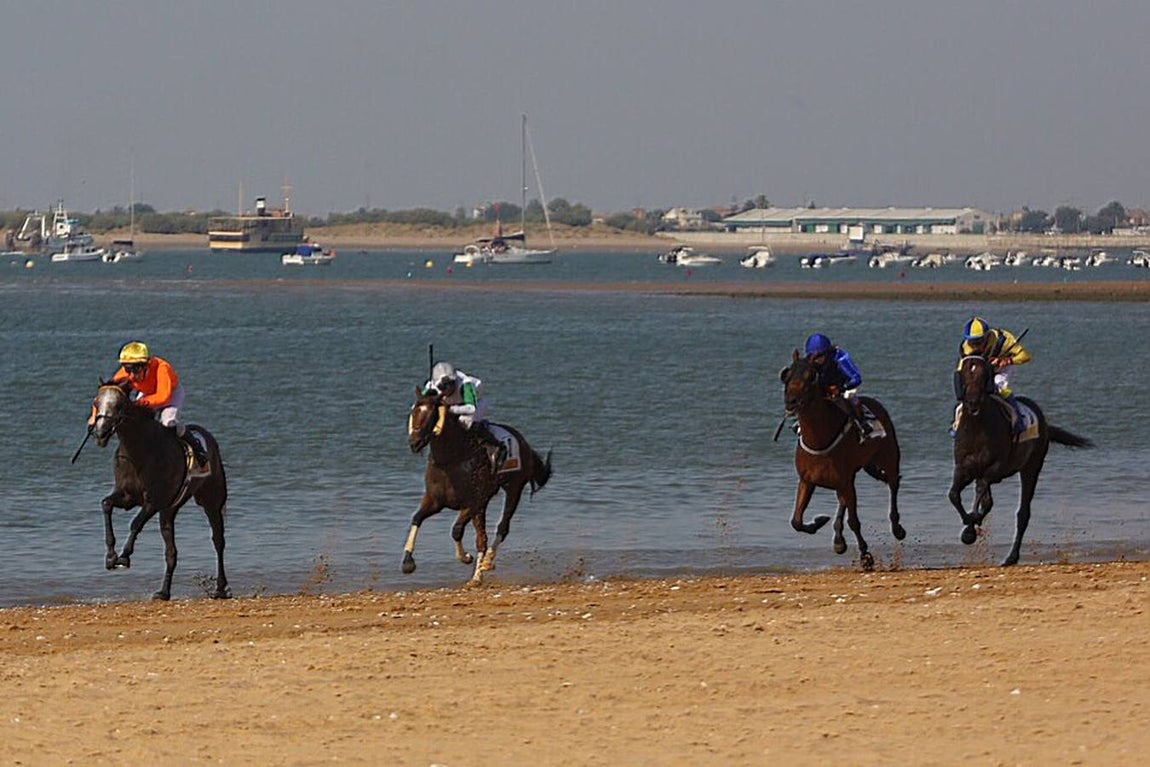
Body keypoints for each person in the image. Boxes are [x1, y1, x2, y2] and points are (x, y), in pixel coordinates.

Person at [102, 341, 208, 476]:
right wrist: (95, 417)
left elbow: (163, 397)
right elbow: (108, 391)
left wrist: (139, 404)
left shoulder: (162, 368)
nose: (131, 376)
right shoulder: (127, 372)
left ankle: (199, 452)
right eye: (128, 370)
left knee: (168, 422)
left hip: (171, 394)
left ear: (146, 365)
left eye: (135, 370)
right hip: (149, 393)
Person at [954, 317, 1031, 434]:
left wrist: (1006, 361)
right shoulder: (966, 347)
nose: (975, 346)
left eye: (979, 342)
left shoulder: (1004, 340)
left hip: (1003, 367)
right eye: (972, 342)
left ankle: (1018, 421)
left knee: (999, 385)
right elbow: (961, 369)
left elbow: (1025, 356)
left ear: (987, 336)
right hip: (982, 369)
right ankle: (957, 425)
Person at [423, 361, 505, 469]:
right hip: (453, 405)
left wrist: (451, 410)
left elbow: (471, 408)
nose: (446, 391)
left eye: (450, 386)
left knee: (464, 421)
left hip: (475, 404)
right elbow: (419, 405)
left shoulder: (466, 384)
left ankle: (495, 446)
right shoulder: (431, 386)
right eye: (443, 388)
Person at [803, 332, 872, 440]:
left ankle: (862, 422)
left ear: (827, 353)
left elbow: (856, 378)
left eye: (819, 356)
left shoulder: (840, 358)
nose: (816, 360)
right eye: (813, 356)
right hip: (821, 387)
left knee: (851, 397)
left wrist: (840, 388)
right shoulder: (810, 361)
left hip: (842, 386)